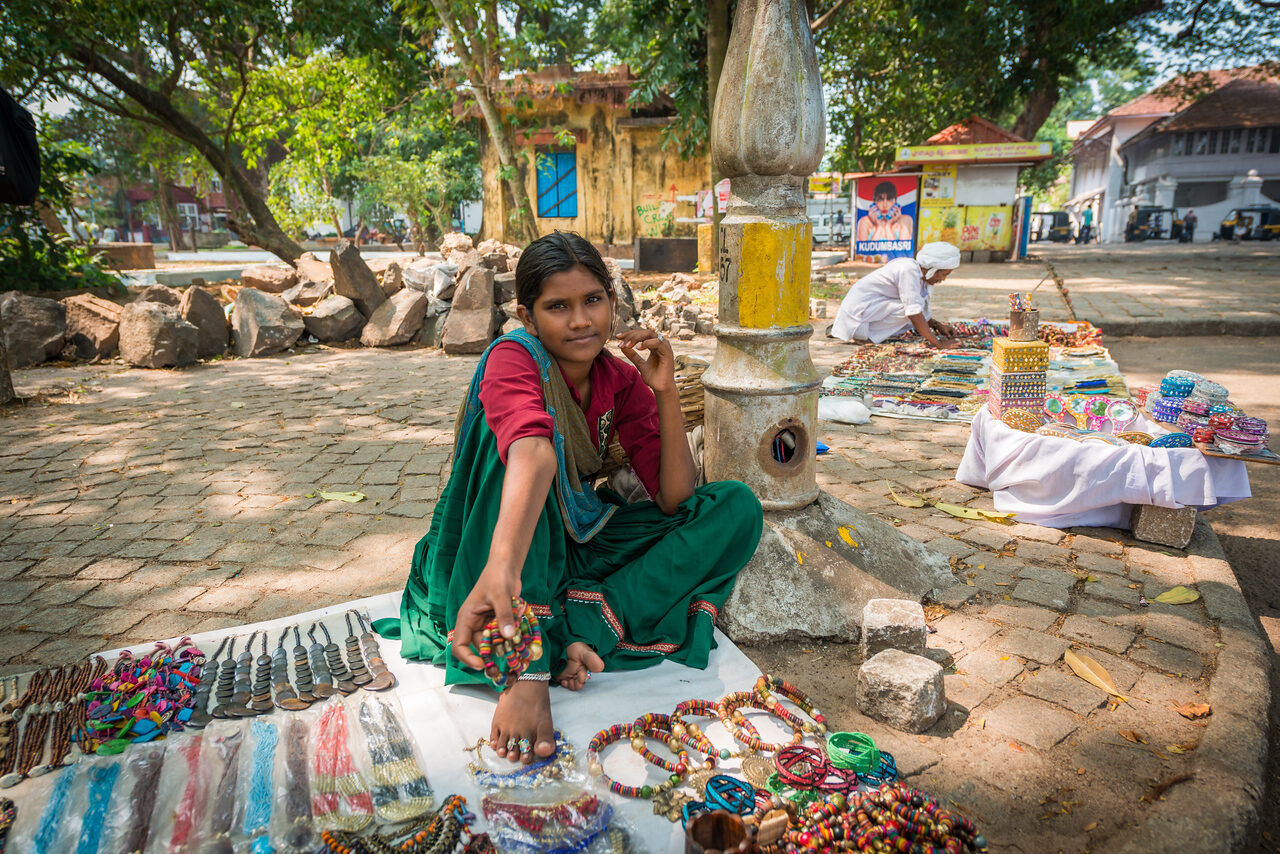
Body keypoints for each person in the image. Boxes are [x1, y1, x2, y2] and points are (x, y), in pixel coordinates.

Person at [377, 231, 764, 763]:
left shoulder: (619, 380)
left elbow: (676, 498)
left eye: (593, 301)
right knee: (512, 451)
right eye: (558, 306)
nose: (581, 320)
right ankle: (528, 661)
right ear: (528, 315)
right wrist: (502, 570)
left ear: (612, 300)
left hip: (571, 531)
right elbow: (534, 454)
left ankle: (577, 629)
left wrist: (664, 391)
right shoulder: (512, 358)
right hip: (495, 534)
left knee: (734, 507)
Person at [830, 241, 960, 347]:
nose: (943, 279)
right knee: (909, 311)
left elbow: (919, 308)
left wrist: (937, 325)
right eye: (944, 274)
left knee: (916, 310)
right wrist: (938, 344)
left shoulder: (919, 274)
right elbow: (914, 312)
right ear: (933, 270)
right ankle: (865, 337)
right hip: (857, 316)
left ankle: (867, 333)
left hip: (868, 311)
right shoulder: (908, 270)